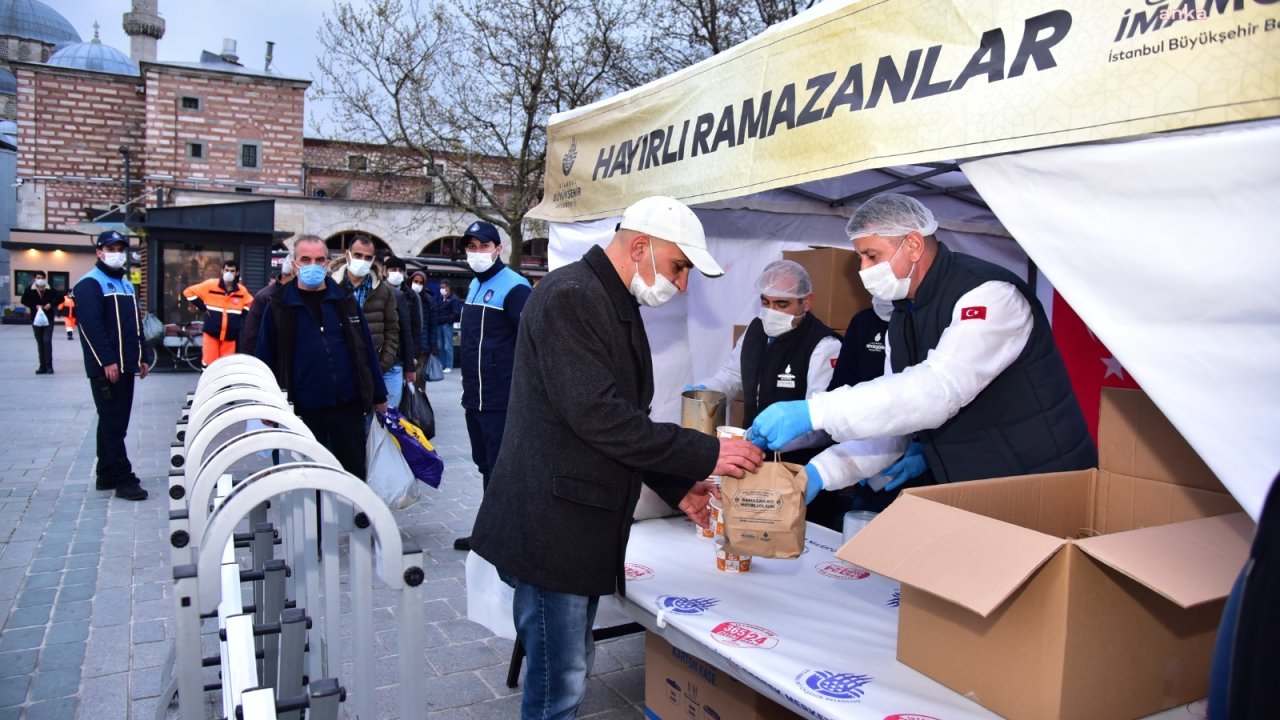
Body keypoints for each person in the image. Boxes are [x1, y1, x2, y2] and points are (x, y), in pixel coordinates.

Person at [470, 196, 764, 720]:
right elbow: (600, 418)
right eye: (680, 267)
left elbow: (621, 421)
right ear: (641, 246)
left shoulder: (609, 300)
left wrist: (678, 487)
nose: (683, 283)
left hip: (576, 522)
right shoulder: (571, 297)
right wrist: (707, 453)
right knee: (557, 683)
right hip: (551, 526)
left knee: (572, 665)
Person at [749, 193, 1097, 495]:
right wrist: (820, 474)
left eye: (871, 255)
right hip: (972, 483)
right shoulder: (902, 316)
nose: (862, 268)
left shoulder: (989, 294)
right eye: (860, 257)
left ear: (913, 245)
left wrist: (815, 412)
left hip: (1042, 480)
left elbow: (936, 390)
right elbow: (894, 416)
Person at [685, 259, 893, 529]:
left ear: (806, 303)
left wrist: (775, 440)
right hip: (752, 462)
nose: (772, 312)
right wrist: (706, 390)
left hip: (798, 468)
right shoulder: (754, 331)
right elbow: (732, 377)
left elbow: (822, 422)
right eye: (766, 302)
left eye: (782, 304)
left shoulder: (823, 345)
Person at [256, 235, 388, 478]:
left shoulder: (344, 300)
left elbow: (365, 348)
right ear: (294, 264)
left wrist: (378, 394)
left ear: (327, 263)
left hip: (347, 405)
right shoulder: (278, 305)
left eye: (318, 260)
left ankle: (354, 515)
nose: (312, 265)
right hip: (304, 409)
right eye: (305, 259)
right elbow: (265, 356)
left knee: (353, 473)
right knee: (309, 476)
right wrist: (266, 404)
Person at [453, 221, 531, 552]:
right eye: (470, 247)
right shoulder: (474, 284)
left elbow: (532, 340)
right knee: (485, 465)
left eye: (483, 246)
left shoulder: (515, 287)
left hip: (501, 399)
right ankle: (490, 529)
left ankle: (504, 536)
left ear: (498, 249)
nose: (476, 253)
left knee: (501, 469)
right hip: (475, 397)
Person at [73, 230, 152, 501]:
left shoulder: (127, 285)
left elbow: (135, 325)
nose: (116, 253)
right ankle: (122, 478)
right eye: (110, 248)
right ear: (99, 252)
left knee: (112, 421)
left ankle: (105, 473)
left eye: (120, 248)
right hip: (106, 368)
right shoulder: (89, 285)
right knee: (114, 422)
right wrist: (107, 361)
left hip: (126, 366)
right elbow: (91, 329)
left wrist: (141, 355)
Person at [328, 235, 400, 409]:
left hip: (372, 369)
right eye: (358, 255)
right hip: (338, 371)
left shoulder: (383, 291)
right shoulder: (330, 286)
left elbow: (392, 330)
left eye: (368, 257)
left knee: (372, 427)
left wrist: (382, 364)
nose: (363, 261)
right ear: (348, 255)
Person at [183, 260, 254, 367]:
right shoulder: (211, 285)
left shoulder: (241, 291)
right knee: (209, 364)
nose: (229, 273)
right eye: (227, 270)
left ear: (237, 273)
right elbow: (188, 292)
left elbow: (251, 303)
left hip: (230, 336)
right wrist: (202, 307)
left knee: (227, 366)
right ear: (222, 271)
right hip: (212, 333)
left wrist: (240, 316)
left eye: (232, 271)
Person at [239, 254, 294, 357]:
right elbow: (251, 334)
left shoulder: (300, 295)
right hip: (270, 362)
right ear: (293, 271)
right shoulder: (265, 297)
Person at [382, 255, 421, 391]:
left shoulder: (411, 296)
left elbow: (415, 328)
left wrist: (413, 356)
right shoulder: (376, 291)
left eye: (400, 270)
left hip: (401, 356)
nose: (397, 273)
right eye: (393, 269)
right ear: (385, 271)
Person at [21, 270, 62, 374]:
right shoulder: (29, 289)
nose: (40, 280)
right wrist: (35, 305)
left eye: (42, 278)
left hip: (48, 319)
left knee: (47, 341)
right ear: (35, 279)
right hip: (36, 319)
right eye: (38, 278)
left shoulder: (50, 289)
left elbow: (60, 298)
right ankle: (42, 366)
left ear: (45, 278)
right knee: (40, 343)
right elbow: (24, 300)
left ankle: (49, 366)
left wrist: (51, 304)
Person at [410, 271, 438, 390]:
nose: (418, 284)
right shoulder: (404, 296)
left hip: (423, 345)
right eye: (415, 281)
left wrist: (433, 346)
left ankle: (420, 403)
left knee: (420, 376)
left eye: (421, 282)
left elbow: (433, 325)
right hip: (407, 343)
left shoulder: (429, 301)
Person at [434, 278, 462, 372]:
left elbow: (456, 313)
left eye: (443, 287)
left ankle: (449, 365)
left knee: (447, 346)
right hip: (439, 324)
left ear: (448, 288)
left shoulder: (454, 299)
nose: (441, 289)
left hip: (447, 324)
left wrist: (446, 320)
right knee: (440, 346)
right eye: (440, 287)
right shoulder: (441, 298)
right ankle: (442, 364)